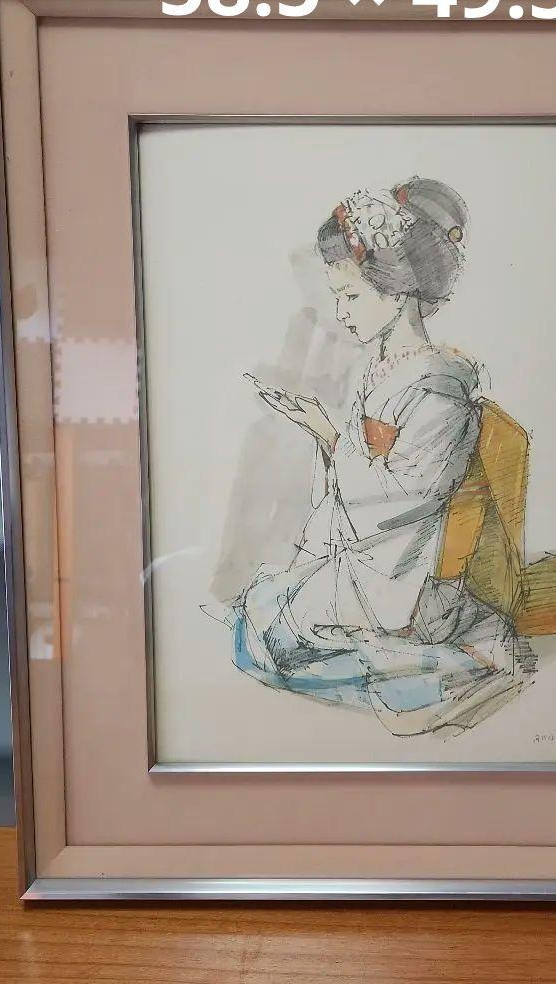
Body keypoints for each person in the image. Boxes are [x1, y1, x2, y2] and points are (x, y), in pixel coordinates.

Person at [226, 178, 537, 737]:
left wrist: (330, 434)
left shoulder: (440, 389)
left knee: (269, 635)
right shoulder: (379, 370)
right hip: (365, 558)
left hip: (401, 569)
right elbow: (361, 481)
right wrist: (326, 436)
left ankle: (445, 665)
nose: (341, 313)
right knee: (258, 619)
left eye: (350, 297)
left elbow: (402, 502)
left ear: (397, 292)